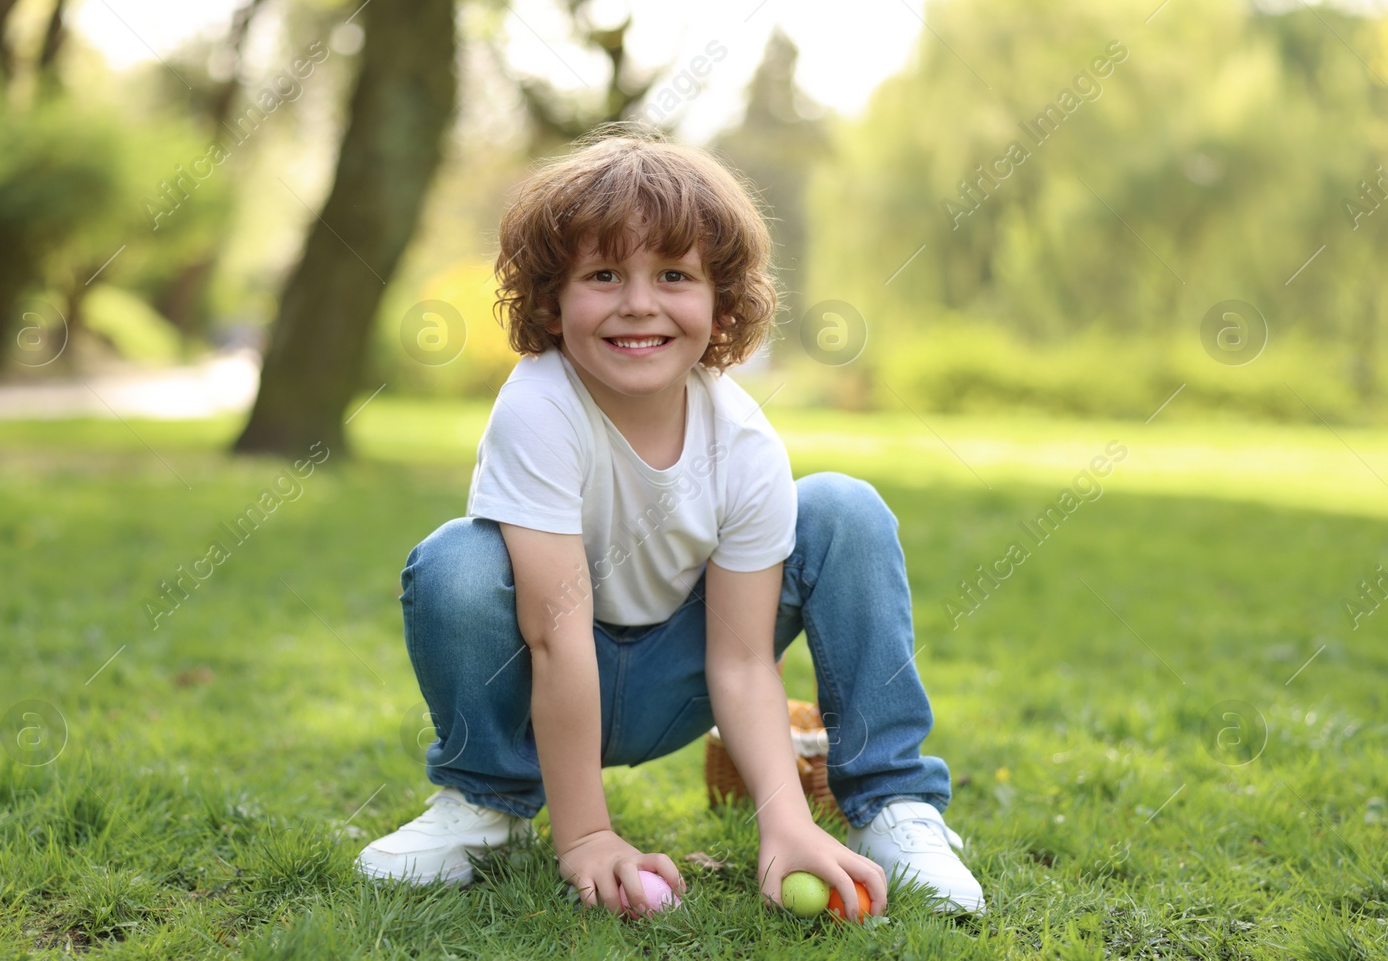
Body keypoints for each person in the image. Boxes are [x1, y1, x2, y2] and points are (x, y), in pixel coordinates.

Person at [356, 122, 984, 917]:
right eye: (606, 274)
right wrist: (586, 836)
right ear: (551, 303)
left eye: (675, 275)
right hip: (549, 666)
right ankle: (486, 805)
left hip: (682, 678)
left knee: (843, 507)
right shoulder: (539, 405)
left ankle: (893, 808)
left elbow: (745, 661)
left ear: (722, 304)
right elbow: (552, 633)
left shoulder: (744, 441)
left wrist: (783, 818)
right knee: (458, 560)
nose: (639, 304)